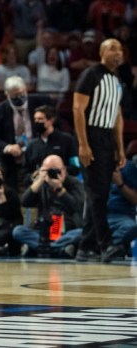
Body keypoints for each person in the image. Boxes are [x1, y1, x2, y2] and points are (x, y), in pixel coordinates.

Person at [73, 38, 126, 263]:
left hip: (107, 139)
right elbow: (78, 108)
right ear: (101, 52)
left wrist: (120, 149)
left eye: (121, 50)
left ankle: (86, 247)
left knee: (100, 195)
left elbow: (117, 117)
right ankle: (106, 243)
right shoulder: (91, 74)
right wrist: (83, 144)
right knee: (96, 194)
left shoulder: (116, 80)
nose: (118, 53)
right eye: (113, 48)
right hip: (92, 135)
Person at [13, 155, 84, 258]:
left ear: (64, 170)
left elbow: (77, 206)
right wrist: (39, 181)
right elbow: (25, 202)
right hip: (43, 232)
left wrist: (60, 189)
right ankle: (57, 249)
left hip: (66, 230)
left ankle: (42, 249)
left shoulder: (74, 183)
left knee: (81, 233)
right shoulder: (41, 184)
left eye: (55, 170)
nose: (52, 174)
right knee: (18, 231)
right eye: (47, 170)